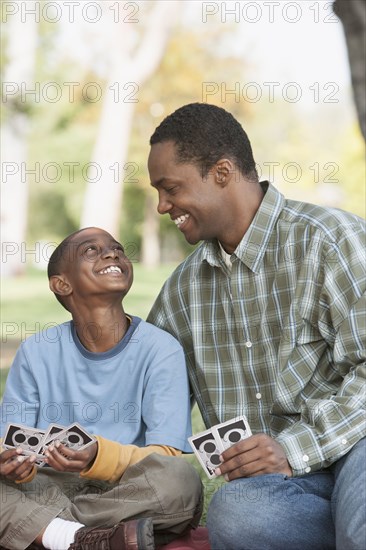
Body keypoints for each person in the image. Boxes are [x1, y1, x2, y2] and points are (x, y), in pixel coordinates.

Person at [146, 102, 366, 550]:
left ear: (222, 172)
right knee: (237, 512)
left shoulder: (330, 239)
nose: (162, 206)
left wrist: (294, 447)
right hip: (286, 493)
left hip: (355, 449)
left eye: (170, 188)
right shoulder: (181, 293)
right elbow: (141, 388)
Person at [0, 227, 203, 550]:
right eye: (91, 251)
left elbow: (166, 456)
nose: (112, 254)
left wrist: (99, 455)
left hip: (125, 487)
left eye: (118, 249)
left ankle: (46, 531)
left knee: (180, 481)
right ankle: (88, 539)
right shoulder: (36, 351)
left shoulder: (160, 348)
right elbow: (11, 443)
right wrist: (16, 467)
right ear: (61, 284)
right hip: (47, 486)